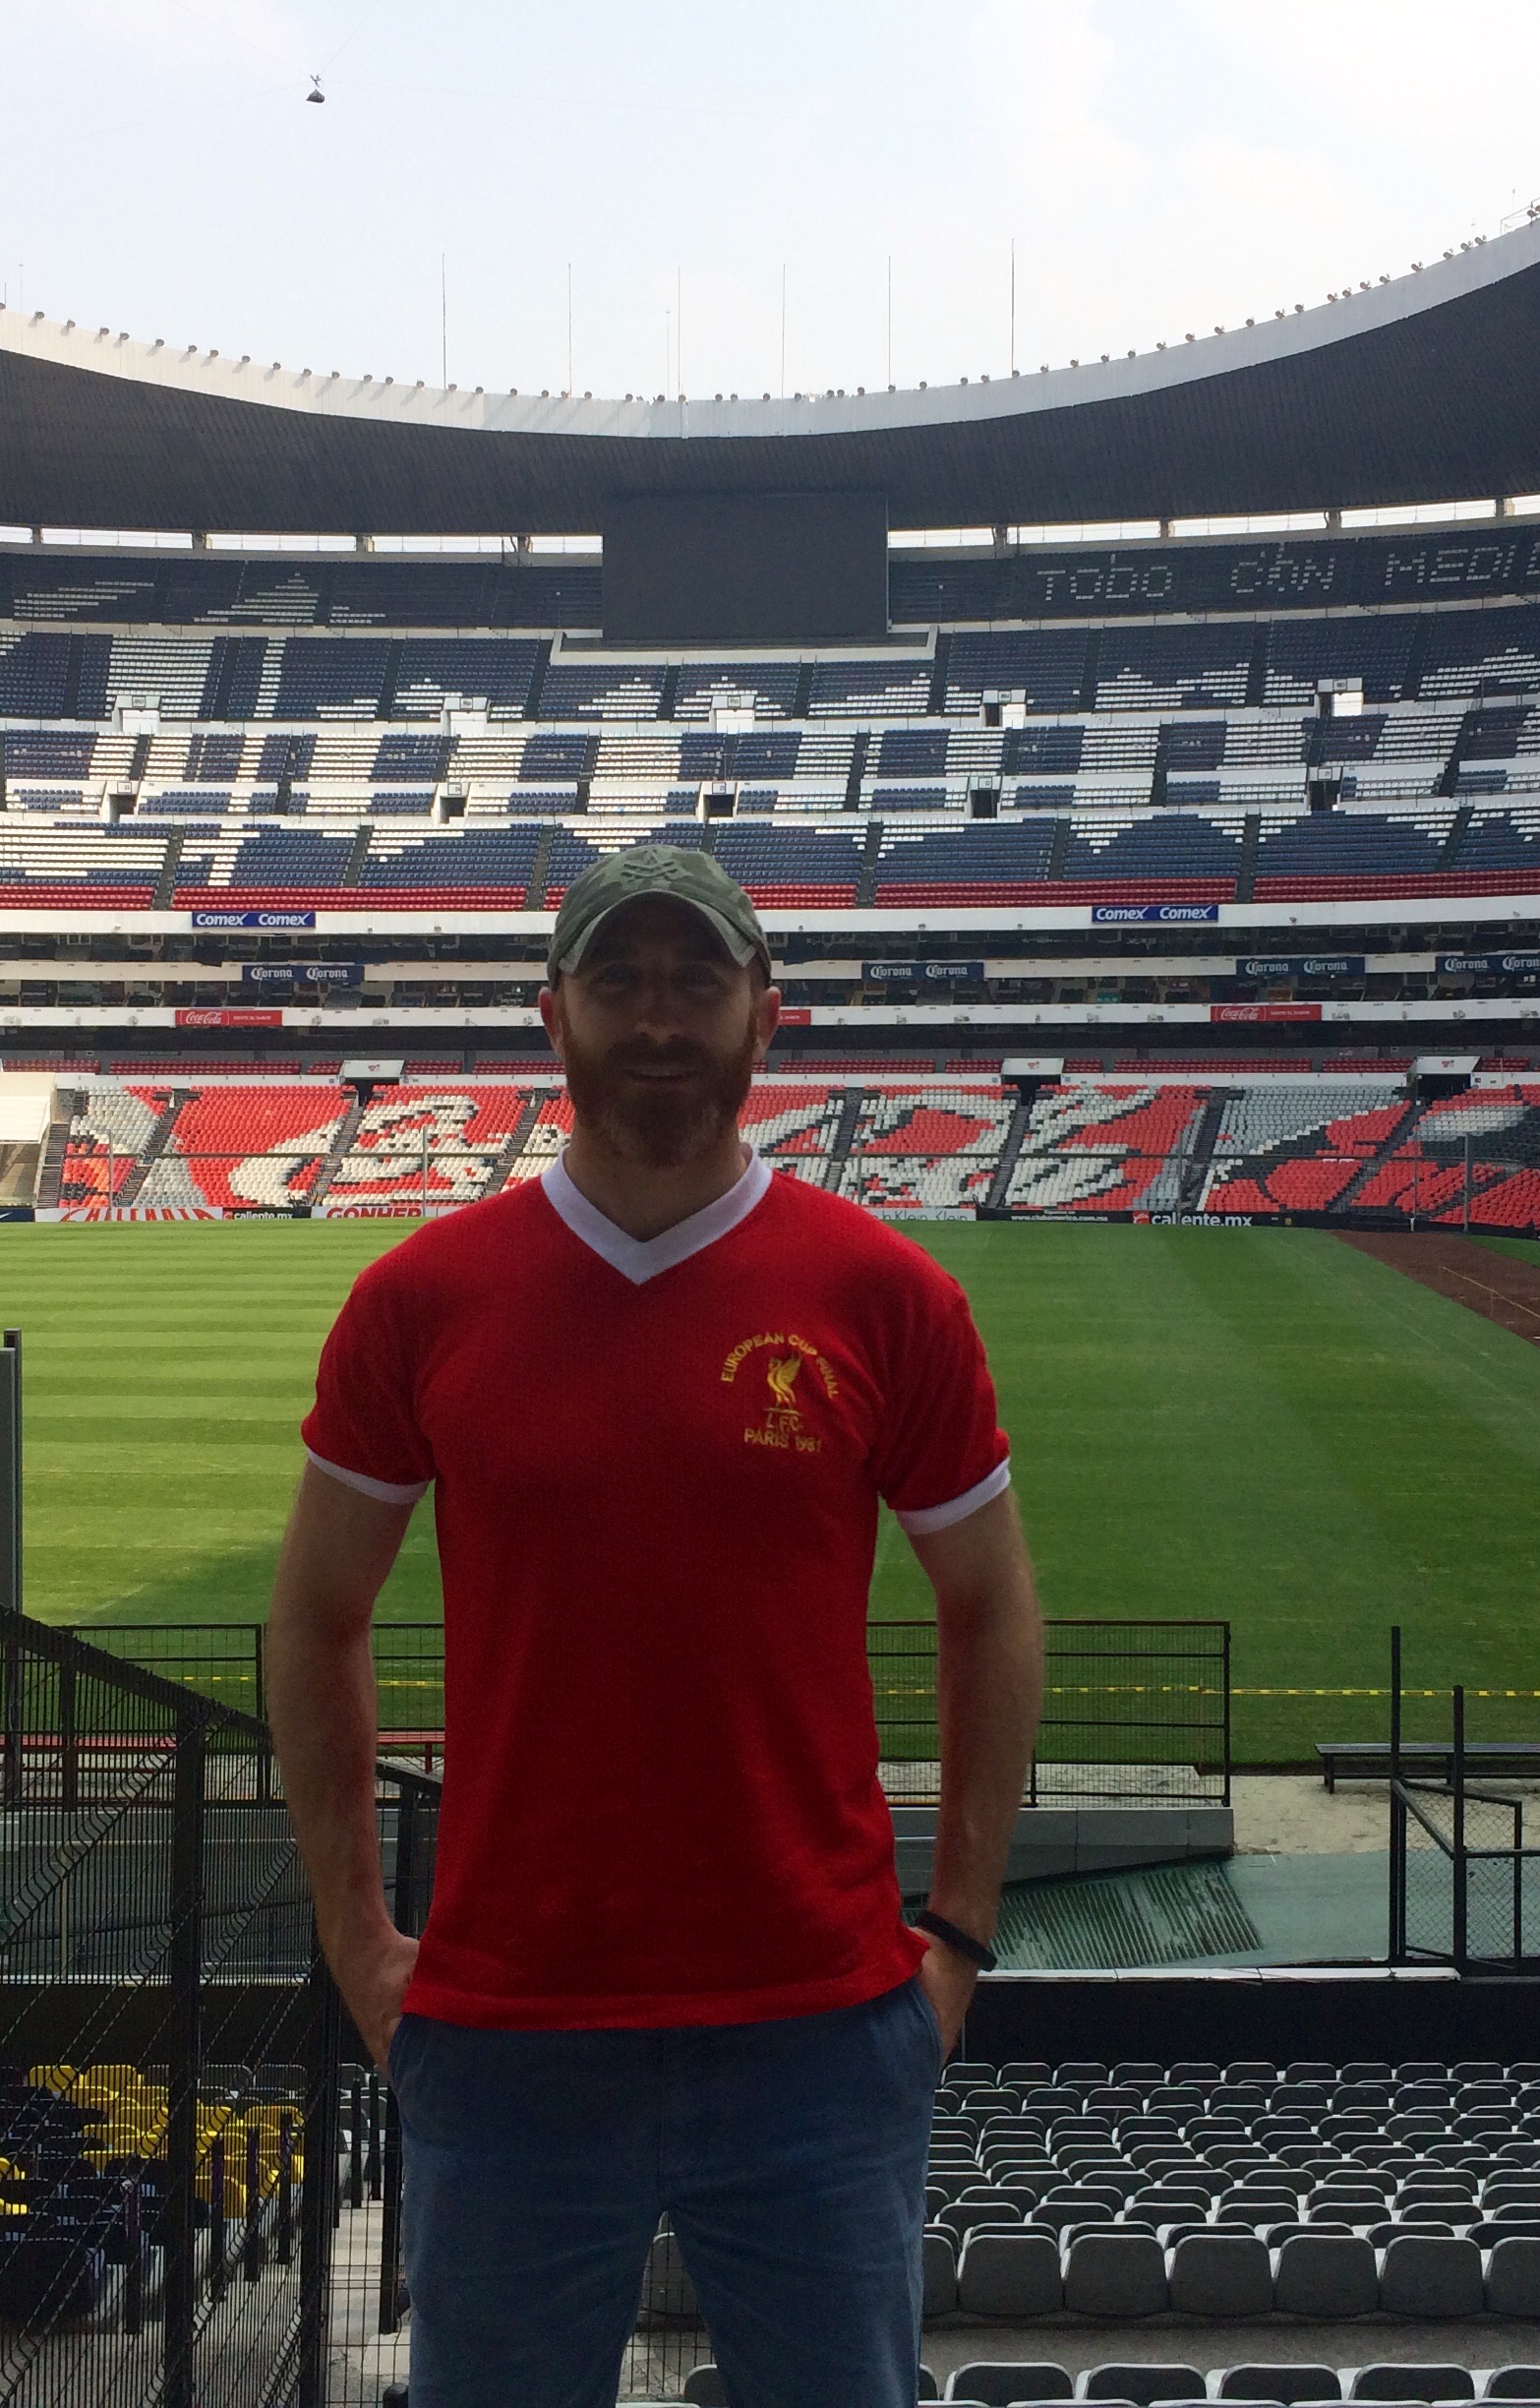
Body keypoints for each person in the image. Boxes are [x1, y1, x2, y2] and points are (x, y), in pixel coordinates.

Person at [263, 844, 1046, 2408]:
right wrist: (360, 1942)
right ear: (553, 1018)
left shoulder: (886, 1298)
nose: (660, 1015)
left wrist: (954, 1938)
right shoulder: (422, 1299)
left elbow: (993, 1609)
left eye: (699, 979)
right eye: (621, 979)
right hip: (506, 2033)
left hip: (823, 2031)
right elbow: (314, 1614)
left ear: (770, 1016)